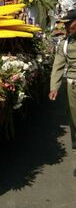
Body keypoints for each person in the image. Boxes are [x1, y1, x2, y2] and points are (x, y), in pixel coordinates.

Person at [49, 9, 76, 153]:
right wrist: (54, 87)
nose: (65, 27)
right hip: (73, 86)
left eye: (69, 24)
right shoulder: (64, 44)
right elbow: (57, 67)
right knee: (74, 119)